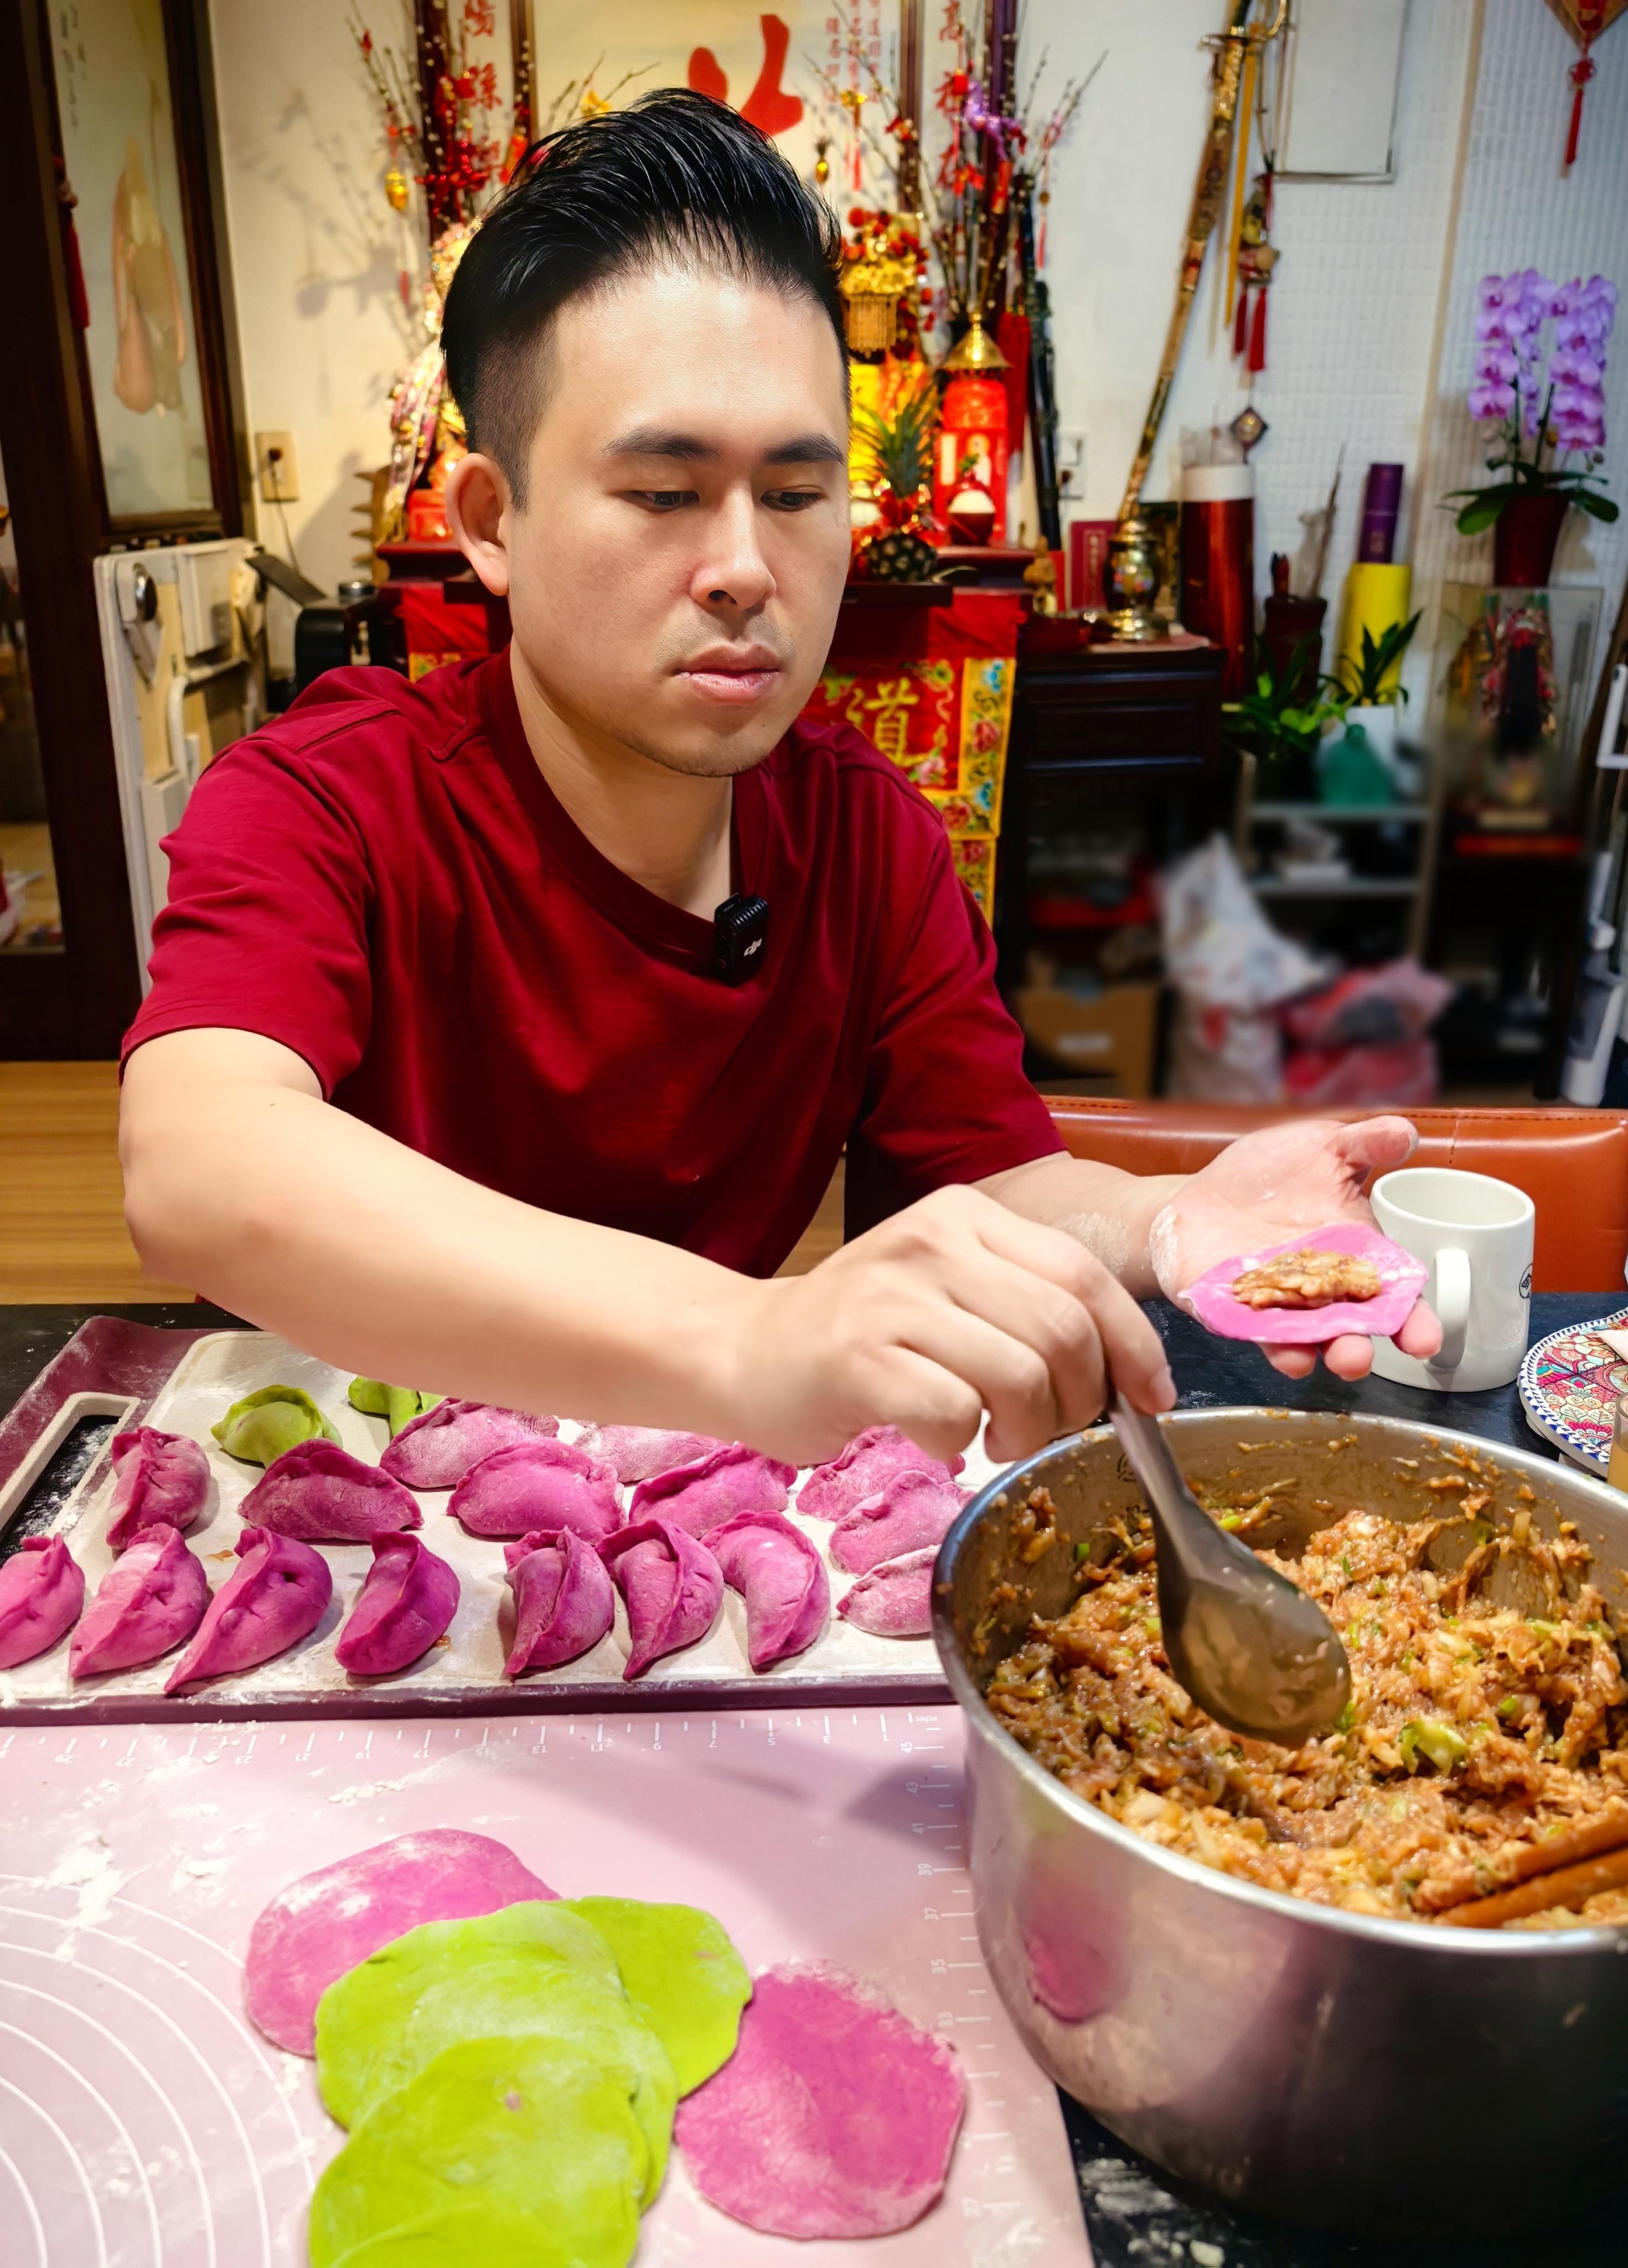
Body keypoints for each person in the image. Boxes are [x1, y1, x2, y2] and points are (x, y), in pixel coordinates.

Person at [118, 91, 1439, 1469]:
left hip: (685, 1508)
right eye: (662, 491)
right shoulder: (333, 795)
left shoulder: (864, 836)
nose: (747, 566)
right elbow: (202, 1164)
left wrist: (1177, 1222)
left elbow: (994, 1177)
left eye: (799, 494)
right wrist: (752, 1340)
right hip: (370, 1499)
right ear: (493, 525)